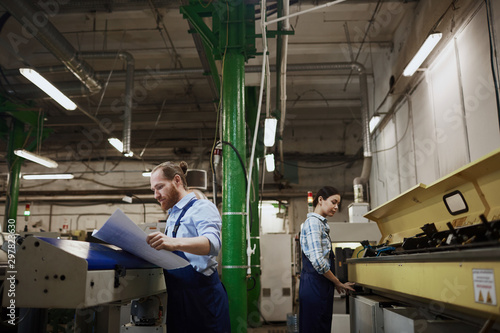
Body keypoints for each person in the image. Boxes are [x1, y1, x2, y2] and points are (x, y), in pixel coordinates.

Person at [146, 161, 231, 333]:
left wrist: (173, 243)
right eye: (153, 190)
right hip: (178, 299)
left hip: (203, 301)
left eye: (160, 187)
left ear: (177, 181)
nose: (156, 195)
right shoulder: (172, 216)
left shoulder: (201, 207)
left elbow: (212, 243)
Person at [299, 186, 355, 333]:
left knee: (321, 327)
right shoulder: (313, 223)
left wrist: (333, 282)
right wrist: (336, 281)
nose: (336, 207)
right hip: (315, 285)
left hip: (320, 284)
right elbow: (318, 261)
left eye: (338, 204)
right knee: (315, 327)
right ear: (320, 200)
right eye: (333, 202)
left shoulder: (320, 224)